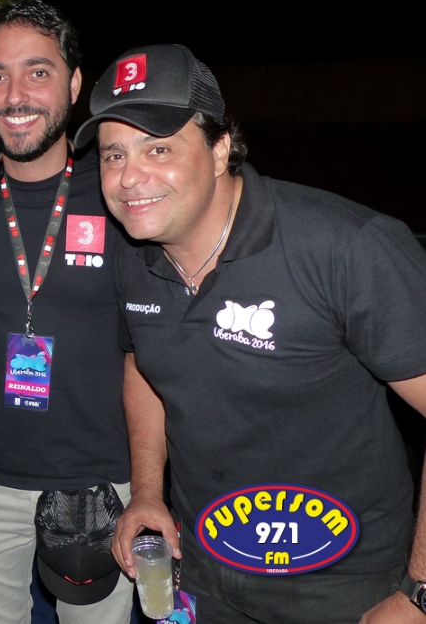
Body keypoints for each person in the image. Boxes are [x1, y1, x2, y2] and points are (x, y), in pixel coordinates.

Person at [74, 43, 426, 623]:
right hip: (203, 568)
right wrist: (147, 492)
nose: (129, 177)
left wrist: (418, 594)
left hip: (342, 584)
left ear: (219, 149)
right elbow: (143, 363)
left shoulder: (348, 248)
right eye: (114, 155)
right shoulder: (133, 257)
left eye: (158, 148)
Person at [0, 0, 133, 624]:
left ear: (73, 84)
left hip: (99, 483)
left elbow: (150, 351)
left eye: (37, 72)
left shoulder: (121, 191)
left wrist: (149, 487)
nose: (15, 95)